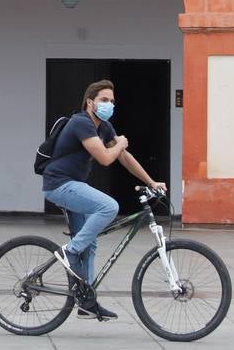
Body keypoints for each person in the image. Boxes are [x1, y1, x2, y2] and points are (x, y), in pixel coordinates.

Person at [41, 79, 166, 320]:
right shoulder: (81, 123)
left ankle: (86, 302)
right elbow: (106, 158)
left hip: (74, 185)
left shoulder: (104, 127)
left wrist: (151, 182)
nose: (109, 104)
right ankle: (70, 252)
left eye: (111, 101)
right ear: (90, 103)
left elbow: (124, 158)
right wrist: (119, 143)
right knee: (109, 206)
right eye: (104, 100)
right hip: (60, 184)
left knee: (90, 244)